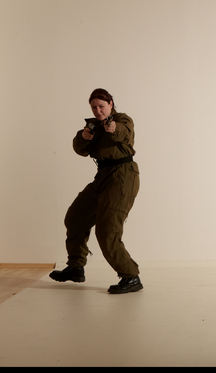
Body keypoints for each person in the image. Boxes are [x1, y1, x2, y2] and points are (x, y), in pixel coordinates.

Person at [49, 88, 143, 294]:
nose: (98, 110)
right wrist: (84, 137)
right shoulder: (92, 126)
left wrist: (113, 128)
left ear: (110, 103)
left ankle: (130, 276)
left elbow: (124, 132)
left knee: (107, 230)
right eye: (94, 107)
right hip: (102, 176)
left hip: (123, 176)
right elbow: (79, 149)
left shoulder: (121, 120)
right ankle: (76, 268)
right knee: (75, 217)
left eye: (101, 106)